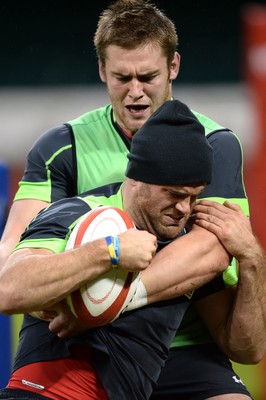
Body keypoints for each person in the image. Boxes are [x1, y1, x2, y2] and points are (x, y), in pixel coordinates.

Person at [0, 0, 265, 398]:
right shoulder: (63, 146)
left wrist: (103, 303)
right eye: (122, 77)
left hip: (182, 343)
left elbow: (212, 246)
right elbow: (17, 250)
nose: (135, 92)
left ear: (173, 67)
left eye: (148, 76)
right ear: (103, 71)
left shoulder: (212, 145)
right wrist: (63, 292)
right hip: (76, 339)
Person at [0, 99, 229, 400]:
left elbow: (247, 347)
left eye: (194, 196)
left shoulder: (190, 241)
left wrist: (251, 257)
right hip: (42, 393)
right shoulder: (75, 212)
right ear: (136, 177)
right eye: (174, 194)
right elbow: (8, 290)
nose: (183, 208)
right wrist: (108, 252)